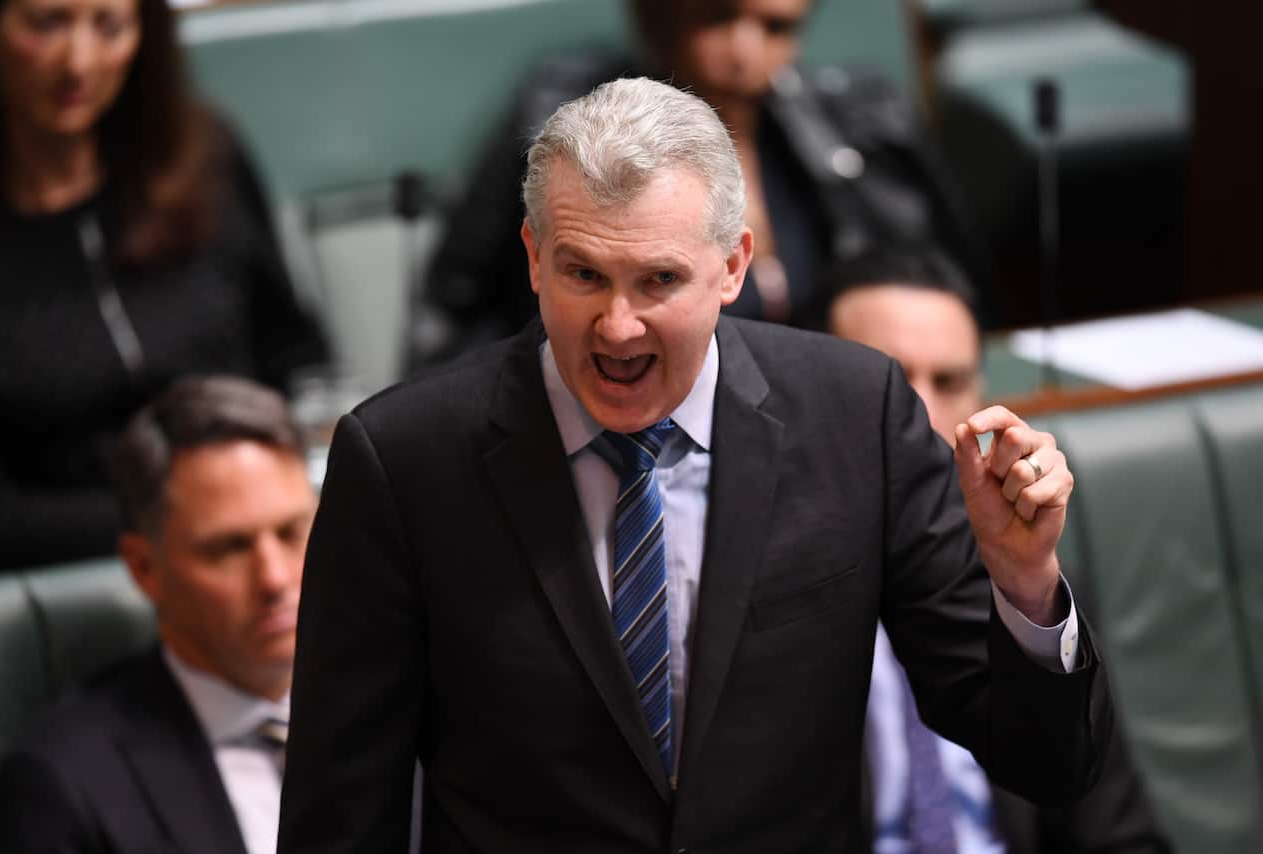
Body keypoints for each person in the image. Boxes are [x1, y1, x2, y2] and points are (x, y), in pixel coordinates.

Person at [279, 78, 1113, 853]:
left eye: (658, 280)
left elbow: (1043, 764)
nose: (617, 326)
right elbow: (341, 816)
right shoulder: (403, 463)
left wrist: (1025, 584)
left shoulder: (855, 416)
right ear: (533, 257)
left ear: (733, 266)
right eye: (583, 274)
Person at [413, 0, 986, 367]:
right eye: (719, 17)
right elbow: (458, 311)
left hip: (818, 427)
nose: (744, 51)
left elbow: (939, 292)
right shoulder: (568, 126)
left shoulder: (851, 130)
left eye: (776, 27)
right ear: (658, 18)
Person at [827, 246, 1170, 853]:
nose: (921, 415)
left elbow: (1118, 835)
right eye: (889, 379)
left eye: (950, 382)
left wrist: (1026, 578)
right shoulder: (773, 588)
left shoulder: (1027, 589)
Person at [0, 0, 329, 573]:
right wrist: (190, 520)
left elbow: (292, 354)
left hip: (257, 548)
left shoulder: (203, 155)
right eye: (48, 23)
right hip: (64, 578)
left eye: (110, 25)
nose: (80, 62)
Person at [0, 376, 316, 854]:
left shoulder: (414, 699)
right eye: (229, 548)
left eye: (292, 533)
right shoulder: (61, 784)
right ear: (144, 567)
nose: (276, 579)